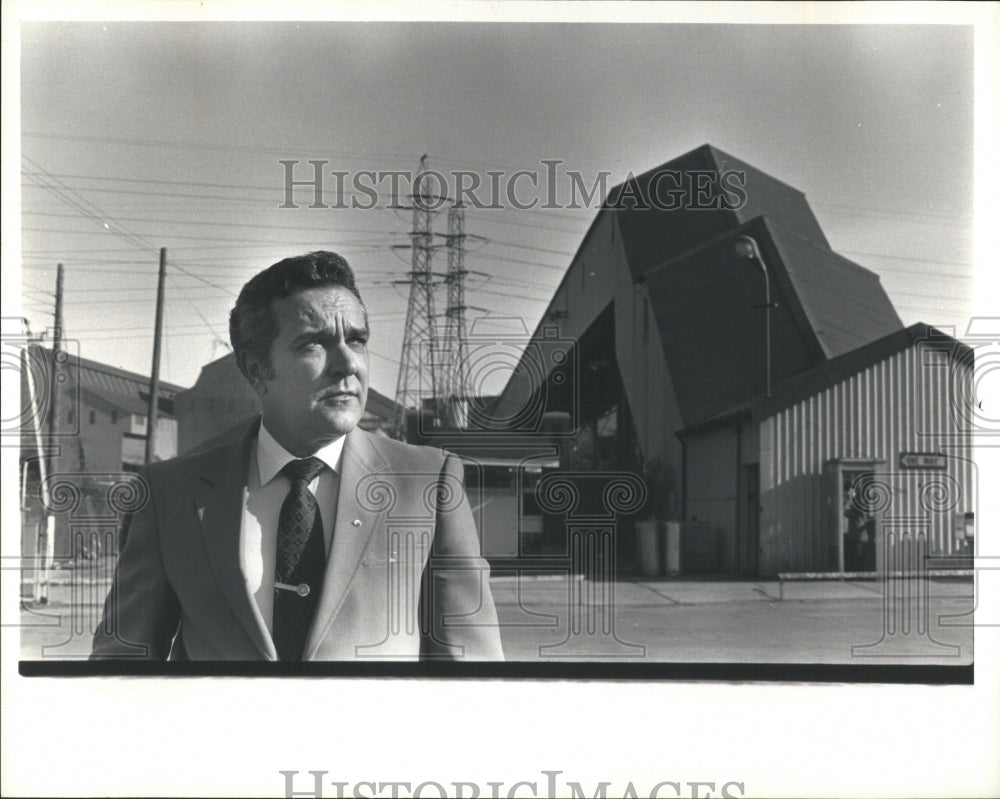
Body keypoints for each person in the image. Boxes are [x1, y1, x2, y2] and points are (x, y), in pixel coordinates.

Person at [91, 251, 503, 661]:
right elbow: (120, 665)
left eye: (357, 340)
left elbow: (475, 675)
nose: (347, 363)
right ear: (256, 369)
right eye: (313, 344)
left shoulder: (428, 483)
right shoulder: (170, 494)